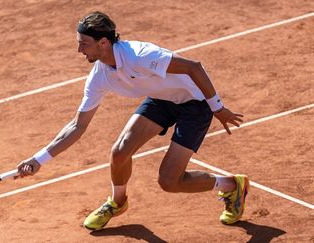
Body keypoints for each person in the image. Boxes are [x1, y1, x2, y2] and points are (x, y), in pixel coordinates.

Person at [15, 11, 249, 231]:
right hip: (162, 98)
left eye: (84, 43)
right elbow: (78, 125)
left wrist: (218, 108)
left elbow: (193, 67)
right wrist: (39, 159)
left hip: (194, 104)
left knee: (169, 181)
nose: (79, 50)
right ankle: (117, 202)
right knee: (119, 152)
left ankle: (231, 186)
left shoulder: (139, 55)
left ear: (103, 43)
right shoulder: (99, 76)